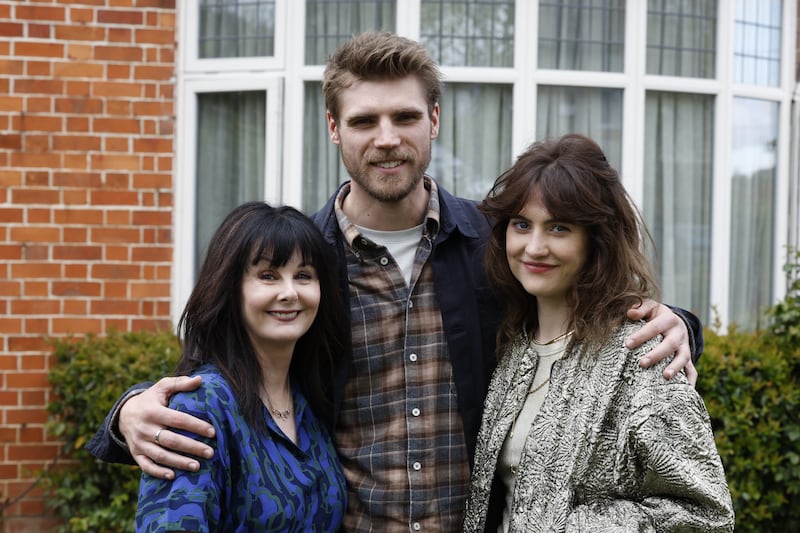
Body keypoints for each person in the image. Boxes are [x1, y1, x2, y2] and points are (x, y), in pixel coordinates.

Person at [88, 32, 703, 532]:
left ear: (433, 119)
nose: (387, 138)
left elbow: (577, 297)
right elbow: (228, 365)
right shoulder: (303, 264)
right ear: (334, 129)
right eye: (364, 121)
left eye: (405, 116)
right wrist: (128, 413)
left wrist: (676, 322)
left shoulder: (495, 247)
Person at [462, 134, 733, 532]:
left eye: (558, 228)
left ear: (596, 240)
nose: (534, 247)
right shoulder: (513, 346)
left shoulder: (643, 353)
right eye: (522, 224)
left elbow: (706, 515)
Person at [133, 202, 348, 531]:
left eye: (303, 275)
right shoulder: (200, 408)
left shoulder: (311, 401)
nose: (290, 292)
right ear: (230, 288)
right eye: (268, 276)